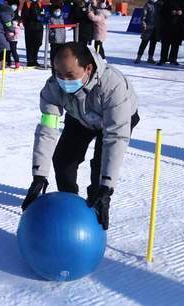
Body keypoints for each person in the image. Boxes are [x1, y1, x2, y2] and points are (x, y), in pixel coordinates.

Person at [21, 42, 139, 230]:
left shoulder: (112, 86)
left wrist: (106, 188)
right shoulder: (53, 87)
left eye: (70, 75)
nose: (63, 81)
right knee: (63, 160)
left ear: (88, 68)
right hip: (79, 116)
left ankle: (95, 204)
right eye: (59, 74)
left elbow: (115, 138)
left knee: (100, 168)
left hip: (115, 120)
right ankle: (69, 202)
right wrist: (39, 175)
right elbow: (47, 130)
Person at [158, 0, 184, 66]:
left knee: (176, 44)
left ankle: (173, 59)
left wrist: (182, 13)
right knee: (165, 43)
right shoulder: (169, 0)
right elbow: (163, 11)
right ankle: (163, 59)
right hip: (168, 25)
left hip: (179, 26)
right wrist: (171, 12)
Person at [135, 0, 162, 64]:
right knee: (144, 43)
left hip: (156, 28)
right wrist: (144, 24)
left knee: (153, 44)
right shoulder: (148, 5)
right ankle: (138, 57)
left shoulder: (159, 6)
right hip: (147, 27)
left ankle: (150, 58)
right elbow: (143, 16)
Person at [21, 0, 45, 67]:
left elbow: (43, 12)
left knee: (38, 43)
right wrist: (33, 17)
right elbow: (24, 14)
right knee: (30, 44)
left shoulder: (40, 3)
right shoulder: (27, 3)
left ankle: (35, 59)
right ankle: (30, 60)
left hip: (39, 27)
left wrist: (41, 16)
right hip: (30, 27)